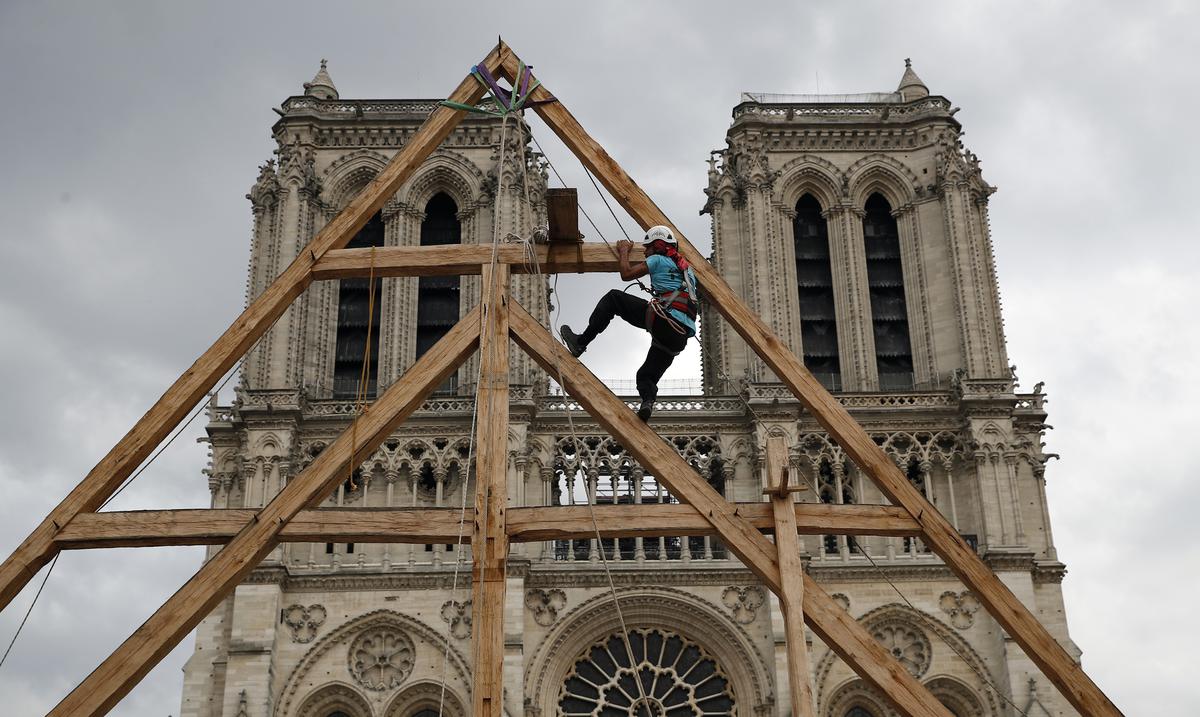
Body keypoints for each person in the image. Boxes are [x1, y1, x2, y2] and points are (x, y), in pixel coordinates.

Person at [560, 225, 698, 422]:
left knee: (614, 298)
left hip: (664, 320)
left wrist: (624, 250)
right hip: (679, 337)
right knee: (646, 376)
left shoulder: (657, 259)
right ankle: (647, 403)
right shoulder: (688, 271)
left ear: (658, 246)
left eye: (647, 247)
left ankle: (580, 342)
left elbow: (626, 274)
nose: (644, 251)